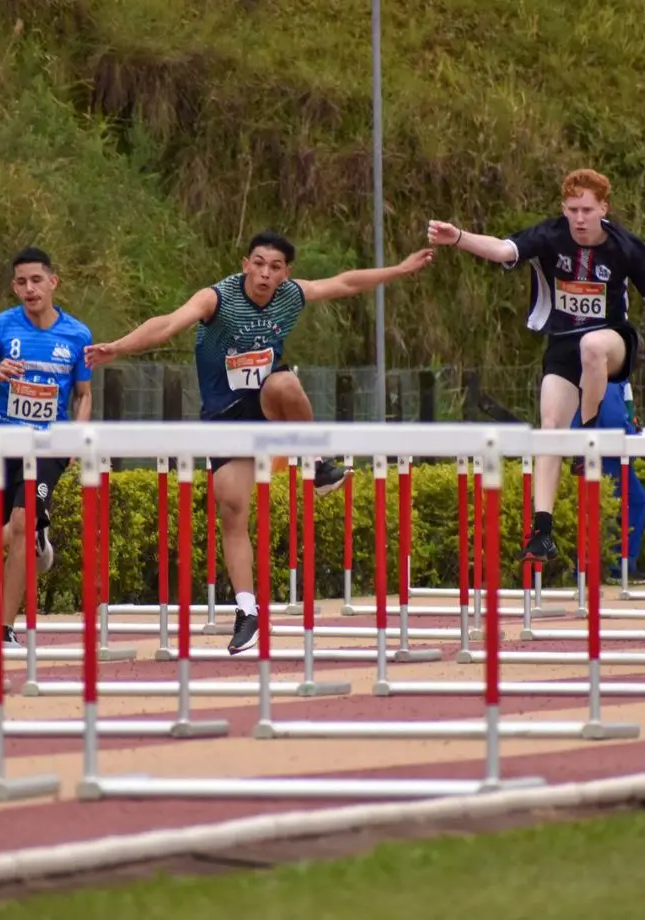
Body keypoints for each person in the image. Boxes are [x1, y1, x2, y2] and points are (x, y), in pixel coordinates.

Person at [85, 229, 435, 654]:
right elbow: (169, 324)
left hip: (267, 403)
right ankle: (248, 610)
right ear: (245, 263)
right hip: (225, 418)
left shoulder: (291, 295)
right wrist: (118, 348)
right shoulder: (217, 298)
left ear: (286, 272)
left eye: (275, 267)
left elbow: (345, 283)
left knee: (286, 382)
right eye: (259, 263)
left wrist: (399, 269)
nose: (265, 274)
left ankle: (318, 462)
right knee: (231, 509)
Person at [427, 168, 645, 563]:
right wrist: (458, 237)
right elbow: (502, 249)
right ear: (563, 209)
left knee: (592, 346)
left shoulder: (625, 247)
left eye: (587, 210)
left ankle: (586, 438)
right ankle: (542, 531)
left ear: (604, 207)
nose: (579, 219)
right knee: (549, 429)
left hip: (612, 342)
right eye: (572, 210)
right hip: (563, 345)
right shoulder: (550, 236)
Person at [0, 247, 94, 647]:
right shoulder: (2, 328)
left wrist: (75, 436)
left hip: (47, 444)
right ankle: (36, 537)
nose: (29, 289)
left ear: (53, 282)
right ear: (13, 287)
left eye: (37, 280)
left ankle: (3, 631)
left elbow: (84, 394)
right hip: (0, 439)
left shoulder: (77, 335)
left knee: (20, 523)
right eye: (21, 282)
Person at [571, 380, 645, 584]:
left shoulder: (620, 378)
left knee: (633, 501)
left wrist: (635, 431)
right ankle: (612, 567)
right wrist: (635, 437)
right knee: (610, 507)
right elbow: (613, 418)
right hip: (606, 451)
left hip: (610, 451)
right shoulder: (611, 376)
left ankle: (617, 564)